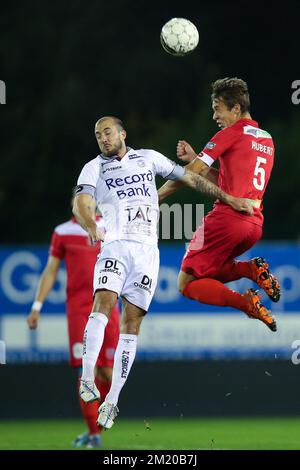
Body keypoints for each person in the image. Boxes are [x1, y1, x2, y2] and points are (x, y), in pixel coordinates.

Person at [72, 115, 255, 429]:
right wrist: (91, 226)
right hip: (115, 244)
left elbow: (191, 178)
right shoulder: (95, 167)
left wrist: (229, 198)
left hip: (147, 252)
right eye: (97, 134)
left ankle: (112, 400)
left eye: (107, 132)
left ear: (122, 133)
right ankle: (87, 378)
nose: (103, 138)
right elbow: (81, 202)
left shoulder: (148, 158)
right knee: (103, 302)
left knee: (132, 323)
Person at [158, 77, 281, 331]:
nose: (214, 115)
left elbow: (189, 173)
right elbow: (229, 182)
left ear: (236, 108)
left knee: (187, 283)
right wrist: (196, 159)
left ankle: (246, 303)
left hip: (227, 219)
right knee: (212, 271)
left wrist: (155, 197)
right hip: (254, 224)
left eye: (217, 108)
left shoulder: (231, 133)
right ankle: (251, 270)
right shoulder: (267, 139)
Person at [27, 207, 120, 448]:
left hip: (109, 307)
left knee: (108, 373)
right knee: (85, 371)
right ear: (74, 204)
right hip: (79, 311)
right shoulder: (63, 231)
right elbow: (51, 270)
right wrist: (37, 306)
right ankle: (94, 435)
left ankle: (94, 430)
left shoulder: (110, 227)